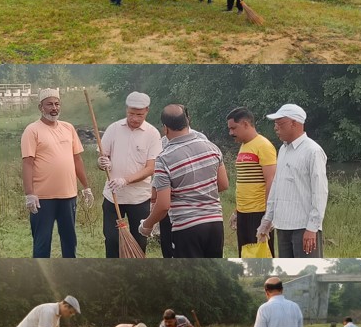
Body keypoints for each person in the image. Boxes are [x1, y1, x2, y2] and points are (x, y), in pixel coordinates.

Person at [138, 104, 228, 257]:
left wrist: (147, 225)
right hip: (215, 224)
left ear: (165, 129)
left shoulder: (164, 158)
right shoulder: (212, 147)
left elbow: (163, 205)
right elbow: (223, 184)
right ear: (187, 122)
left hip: (187, 228)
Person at [21, 88, 93, 258]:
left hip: (68, 196)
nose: (54, 108)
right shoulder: (32, 130)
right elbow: (27, 163)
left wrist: (86, 187)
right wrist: (29, 194)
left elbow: (77, 160)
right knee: (42, 242)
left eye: (57, 104)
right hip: (42, 198)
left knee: (69, 240)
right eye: (49, 104)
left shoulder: (68, 128)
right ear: (41, 107)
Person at [256, 104, 328, 258]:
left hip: (303, 227)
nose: (276, 128)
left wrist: (312, 228)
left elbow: (320, 192)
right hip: (283, 225)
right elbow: (276, 185)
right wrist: (267, 219)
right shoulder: (283, 150)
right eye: (275, 124)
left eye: (280, 124)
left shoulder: (312, 151)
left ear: (295, 123)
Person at [97, 92, 162, 259]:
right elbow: (103, 157)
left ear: (147, 111)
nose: (134, 118)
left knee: (139, 240)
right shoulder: (114, 129)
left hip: (139, 198)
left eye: (139, 115)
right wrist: (102, 163)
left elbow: (150, 168)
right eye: (131, 113)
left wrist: (125, 180)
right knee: (111, 239)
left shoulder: (152, 134)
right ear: (126, 109)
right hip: (113, 196)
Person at [227, 107, 277, 257]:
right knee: (246, 255)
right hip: (243, 213)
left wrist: (268, 216)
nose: (231, 133)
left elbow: (271, 180)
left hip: (259, 213)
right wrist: (237, 211)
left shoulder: (264, 146)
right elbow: (245, 182)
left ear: (246, 124)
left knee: (262, 257)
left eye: (233, 128)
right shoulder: (243, 146)